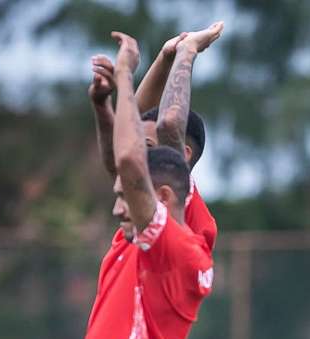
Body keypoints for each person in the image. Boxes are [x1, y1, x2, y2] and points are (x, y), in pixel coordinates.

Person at [8, 30, 223, 339]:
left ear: (175, 167)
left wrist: (164, 62)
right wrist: (111, 101)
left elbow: (155, 134)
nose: (120, 197)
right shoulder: (147, 227)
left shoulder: (180, 228)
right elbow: (123, 157)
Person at [89, 23, 223, 251]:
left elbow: (169, 126)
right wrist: (165, 57)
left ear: (183, 155)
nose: (136, 150)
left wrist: (188, 51)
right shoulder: (139, 201)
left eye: (147, 146)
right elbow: (134, 126)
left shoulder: (177, 200)